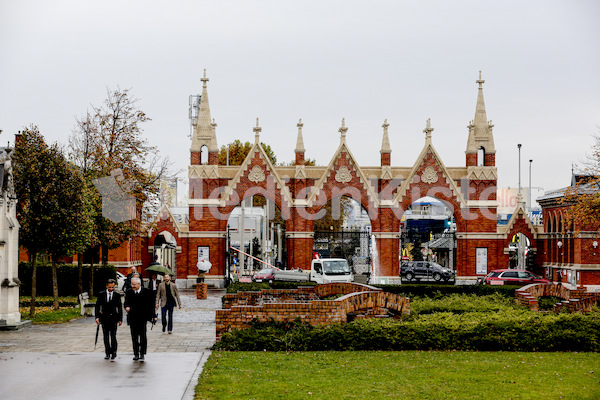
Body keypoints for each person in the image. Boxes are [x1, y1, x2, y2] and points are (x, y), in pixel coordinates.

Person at [124, 277, 156, 361]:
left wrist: (154, 316)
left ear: (139, 284)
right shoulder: (129, 292)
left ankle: (142, 353)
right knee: (134, 336)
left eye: (134, 284)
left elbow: (151, 305)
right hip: (132, 317)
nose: (132, 286)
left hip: (142, 318)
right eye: (132, 284)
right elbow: (126, 302)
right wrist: (126, 307)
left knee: (142, 336)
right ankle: (136, 354)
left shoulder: (147, 292)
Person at [95, 279, 123, 360]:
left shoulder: (117, 295)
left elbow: (119, 308)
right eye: (109, 287)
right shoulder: (101, 294)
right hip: (104, 318)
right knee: (106, 336)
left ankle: (114, 352)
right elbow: (97, 306)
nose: (111, 289)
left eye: (113, 287)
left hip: (114, 318)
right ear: (107, 286)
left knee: (113, 336)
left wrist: (120, 319)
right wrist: (97, 317)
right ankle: (107, 352)